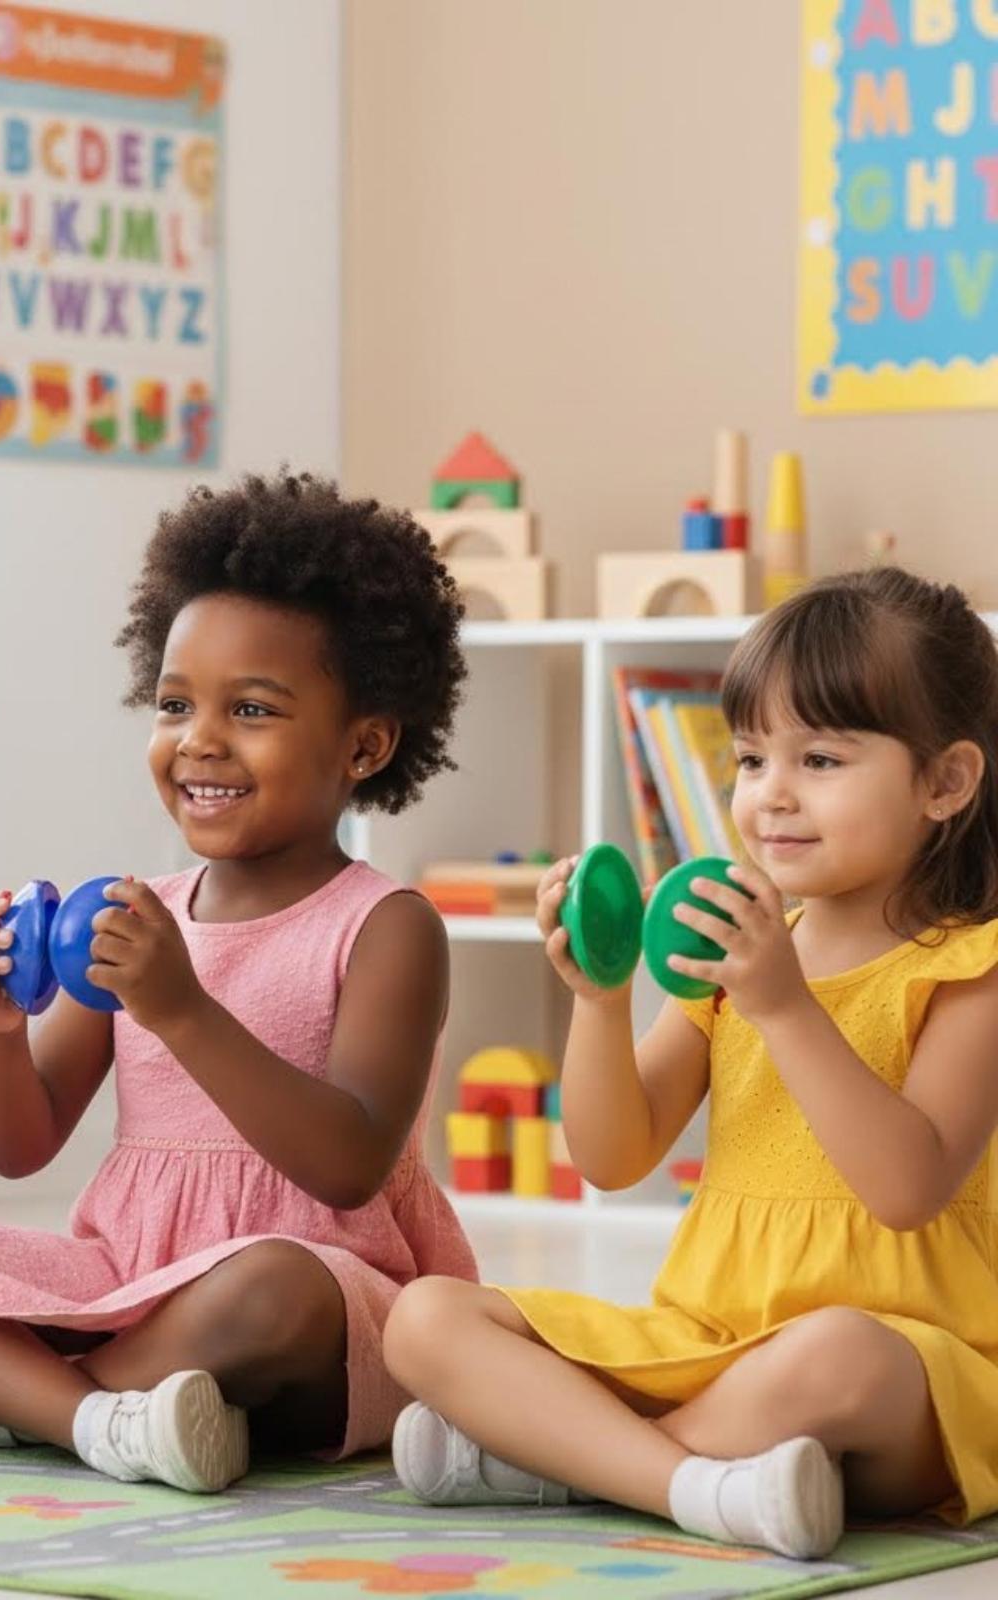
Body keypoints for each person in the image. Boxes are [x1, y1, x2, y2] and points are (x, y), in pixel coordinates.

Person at [0, 471, 478, 1491]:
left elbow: (347, 1166)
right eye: (173, 704)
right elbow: (19, 1145)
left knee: (273, 1289)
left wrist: (182, 1010)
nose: (198, 738)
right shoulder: (132, 916)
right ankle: (95, 1418)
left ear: (364, 744)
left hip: (314, 1308)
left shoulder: (386, 926)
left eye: (250, 708)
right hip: (125, 1282)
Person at [384, 567, 998, 1560]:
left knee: (836, 1354)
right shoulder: (734, 949)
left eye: (821, 758)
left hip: (907, 1369)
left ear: (946, 782)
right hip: (709, 1339)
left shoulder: (972, 970)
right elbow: (612, 1155)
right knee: (423, 1317)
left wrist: (785, 1007)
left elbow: (906, 1188)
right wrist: (600, 998)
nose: (772, 795)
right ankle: (692, 1482)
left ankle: (572, 1462)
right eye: (750, 759)